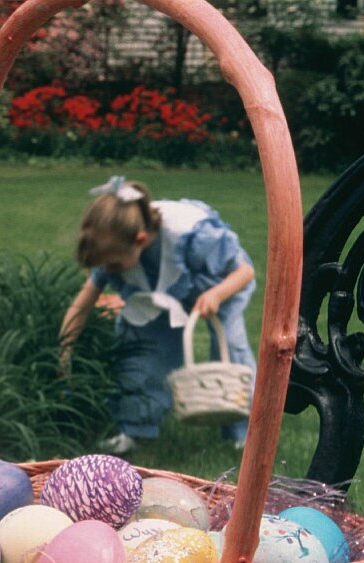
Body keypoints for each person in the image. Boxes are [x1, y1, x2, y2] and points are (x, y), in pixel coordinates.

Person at [58, 177, 256, 454]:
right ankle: (135, 428)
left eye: (113, 265)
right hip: (156, 295)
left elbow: (245, 272)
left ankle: (244, 432)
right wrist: (65, 344)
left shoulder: (193, 236)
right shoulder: (116, 248)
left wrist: (215, 295)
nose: (110, 271)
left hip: (219, 286)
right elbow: (83, 302)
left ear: (140, 240)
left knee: (230, 348)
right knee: (141, 352)